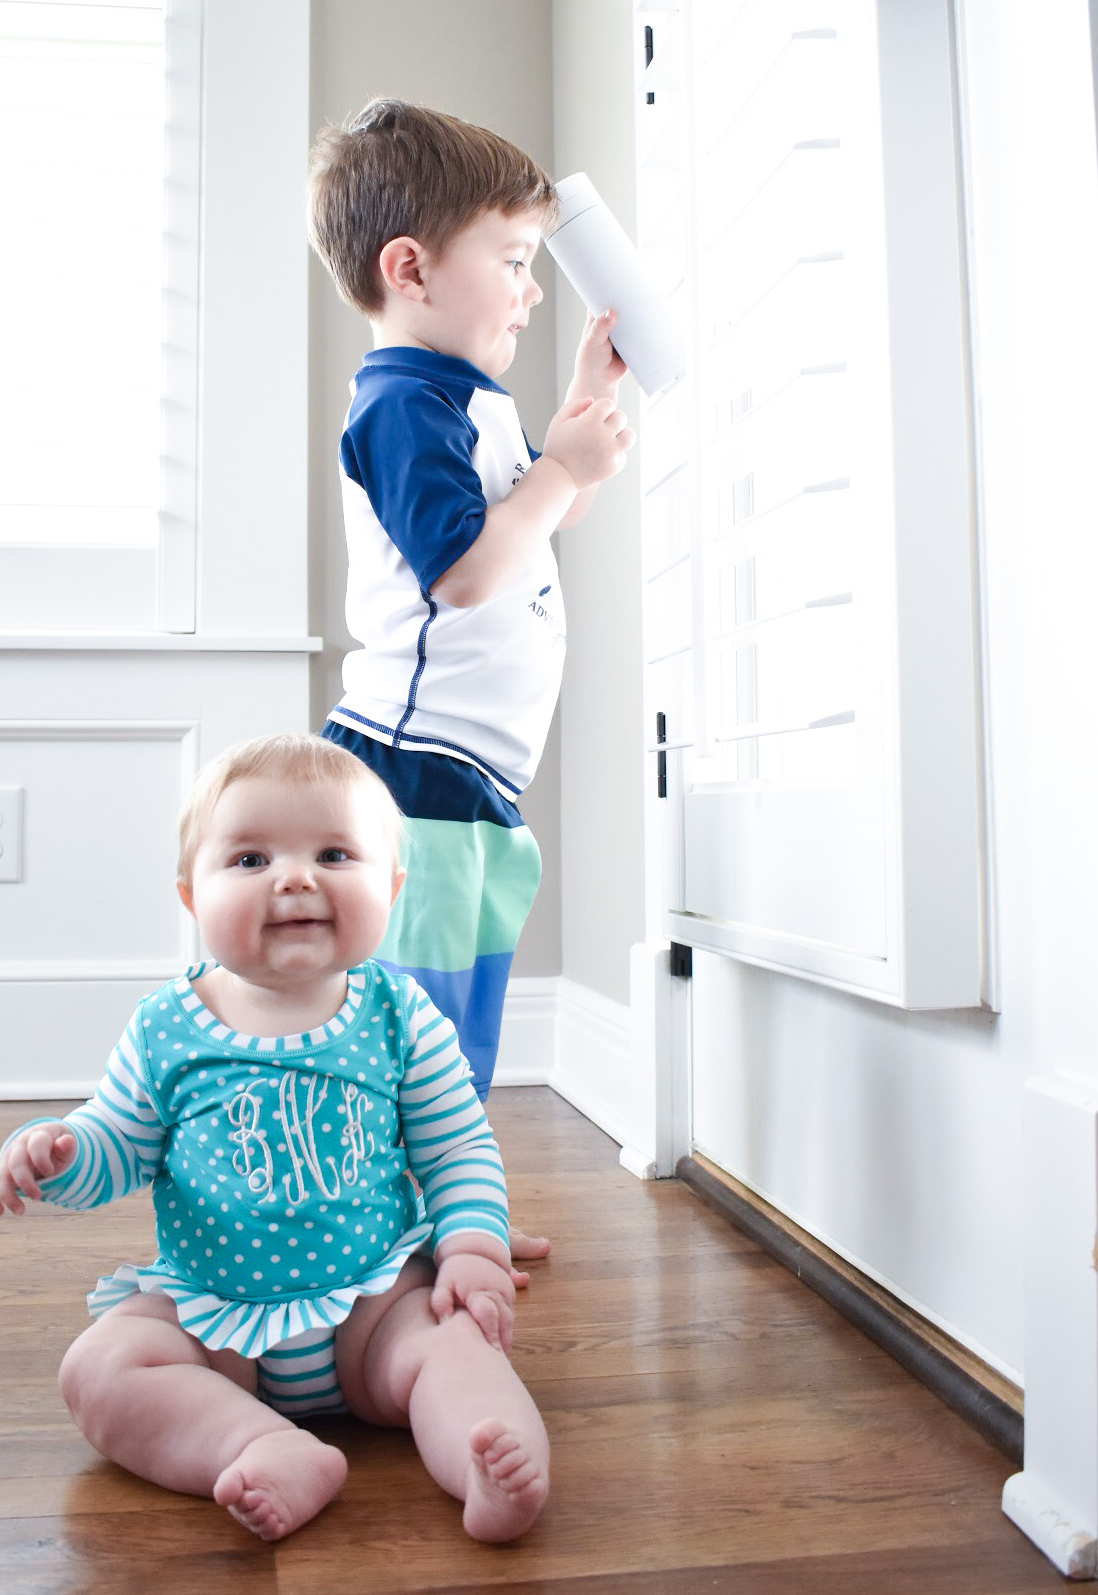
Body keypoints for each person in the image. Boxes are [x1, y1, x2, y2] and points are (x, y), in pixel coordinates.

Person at [0, 733, 549, 1545]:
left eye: (333, 853)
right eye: (250, 859)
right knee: (99, 1369)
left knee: (457, 1343)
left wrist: (470, 1249)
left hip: (374, 1306)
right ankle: (259, 1443)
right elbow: (117, 1143)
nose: (294, 877)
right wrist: (62, 1153)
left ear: (390, 886)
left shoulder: (400, 1016)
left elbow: (456, 1147)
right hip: (210, 1322)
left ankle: (486, 1463)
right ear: (191, 897)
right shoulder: (165, 1029)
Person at [305, 101, 634, 1155]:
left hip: (473, 773)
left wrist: (579, 416)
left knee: (458, 1025)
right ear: (411, 267)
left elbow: (537, 517)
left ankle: (451, 1204)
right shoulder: (402, 404)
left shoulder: (470, 400)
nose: (534, 289)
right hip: (416, 766)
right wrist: (561, 471)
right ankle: (405, 1224)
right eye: (515, 257)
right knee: (421, 1027)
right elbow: (464, 570)